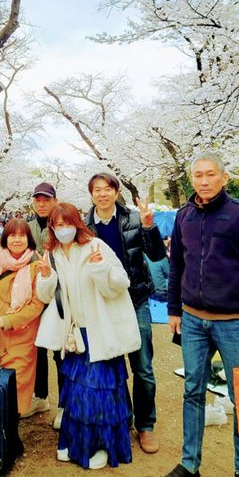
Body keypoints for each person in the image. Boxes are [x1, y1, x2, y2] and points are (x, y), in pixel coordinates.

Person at [159, 152, 239, 477]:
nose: (204, 180)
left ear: (224, 178)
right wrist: (174, 309)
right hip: (193, 319)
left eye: (211, 174)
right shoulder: (184, 216)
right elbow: (177, 266)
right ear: (191, 179)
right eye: (198, 175)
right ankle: (189, 464)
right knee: (192, 391)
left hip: (235, 322)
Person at [35, 202, 141, 470]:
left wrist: (100, 269)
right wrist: (45, 277)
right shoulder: (53, 254)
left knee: (99, 394)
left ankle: (102, 446)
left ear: (77, 223)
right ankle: (74, 443)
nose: (63, 229)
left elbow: (121, 283)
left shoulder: (95, 246)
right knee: (75, 394)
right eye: (58, 225)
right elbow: (46, 297)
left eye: (67, 223)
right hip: (74, 335)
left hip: (98, 331)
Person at [83, 173, 166, 454]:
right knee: (113, 365)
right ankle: (122, 419)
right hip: (105, 303)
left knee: (142, 367)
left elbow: (156, 255)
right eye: (97, 190)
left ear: (117, 192)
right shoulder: (85, 227)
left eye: (108, 189)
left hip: (135, 299)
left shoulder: (133, 218)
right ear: (91, 194)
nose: (102, 194)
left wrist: (149, 226)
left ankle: (146, 425)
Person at [0, 218, 44, 417]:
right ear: (5, 237)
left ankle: (11, 428)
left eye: (22, 235)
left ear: (29, 238)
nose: (17, 240)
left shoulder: (36, 264)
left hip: (22, 335)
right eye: (12, 235)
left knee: (16, 387)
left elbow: (36, 305)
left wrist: (7, 321)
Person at [24, 182, 62, 425]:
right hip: (34, 295)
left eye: (46, 199)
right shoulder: (27, 227)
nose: (41, 204)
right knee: (36, 348)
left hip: (58, 294)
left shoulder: (62, 225)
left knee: (60, 350)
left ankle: (65, 405)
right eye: (38, 200)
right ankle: (40, 396)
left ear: (55, 201)